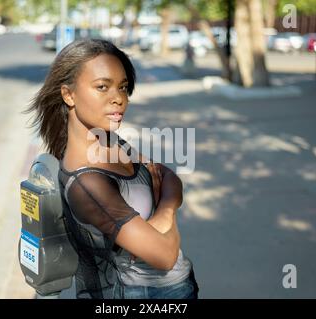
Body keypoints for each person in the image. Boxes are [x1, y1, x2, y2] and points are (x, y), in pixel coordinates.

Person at [25, 39, 199, 299]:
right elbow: (164, 255)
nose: (118, 98)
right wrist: (167, 210)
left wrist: (162, 215)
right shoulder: (87, 183)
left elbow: (168, 176)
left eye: (123, 87)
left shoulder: (110, 141)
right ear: (68, 94)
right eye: (102, 87)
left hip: (175, 287)